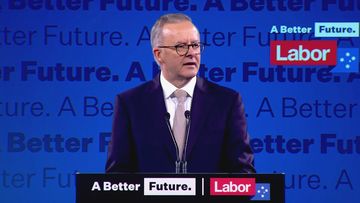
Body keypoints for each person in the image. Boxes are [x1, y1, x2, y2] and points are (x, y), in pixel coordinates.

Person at [105, 13, 255, 173]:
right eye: (181, 47)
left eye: (195, 45)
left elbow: (243, 173)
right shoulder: (131, 103)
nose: (191, 53)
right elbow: (117, 177)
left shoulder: (227, 102)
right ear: (158, 54)